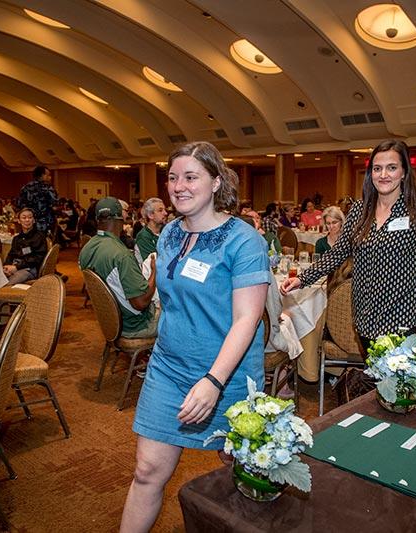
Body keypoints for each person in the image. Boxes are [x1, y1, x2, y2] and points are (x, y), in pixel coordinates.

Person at [121, 142, 270, 532]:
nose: (179, 186)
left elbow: (247, 319)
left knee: (244, 477)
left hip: (228, 376)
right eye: (173, 177)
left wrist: (213, 381)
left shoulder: (244, 240)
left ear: (216, 182)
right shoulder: (169, 233)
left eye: (191, 177)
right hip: (169, 369)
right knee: (147, 469)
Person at [281, 139, 416, 348]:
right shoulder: (359, 210)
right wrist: (302, 279)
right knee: (375, 376)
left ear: (403, 172)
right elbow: (338, 253)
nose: (383, 175)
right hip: (364, 315)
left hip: (400, 316)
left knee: (398, 379)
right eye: (377, 168)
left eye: (391, 168)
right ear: (371, 173)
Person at [79, 197, 158, 338]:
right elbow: (141, 303)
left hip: (110, 322)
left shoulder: (87, 248)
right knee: (180, 316)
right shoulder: (121, 255)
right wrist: (154, 272)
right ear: (121, 217)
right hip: (134, 325)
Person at [2, 208, 48, 285]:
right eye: (24, 218)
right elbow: (11, 254)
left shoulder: (39, 237)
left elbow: (37, 258)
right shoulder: (17, 238)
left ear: (34, 220)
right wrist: (7, 266)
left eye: (30, 217)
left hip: (30, 268)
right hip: (15, 266)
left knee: (6, 284)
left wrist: (16, 267)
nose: (27, 220)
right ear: (19, 221)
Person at [18, 165, 58, 235]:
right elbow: (54, 204)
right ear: (42, 176)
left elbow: (20, 205)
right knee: (45, 243)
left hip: (28, 223)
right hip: (45, 224)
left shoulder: (25, 188)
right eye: (48, 175)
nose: (50, 178)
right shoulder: (48, 189)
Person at [134, 197, 167, 265]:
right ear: (150, 215)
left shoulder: (166, 231)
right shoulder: (143, 237)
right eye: (160, 210)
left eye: (165, 210)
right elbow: (155, 264)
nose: (165, 213)